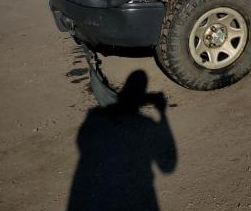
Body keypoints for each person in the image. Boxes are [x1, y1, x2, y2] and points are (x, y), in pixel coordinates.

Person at [67, 70, 177, 211]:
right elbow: (167, 166)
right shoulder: (146, 123)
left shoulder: (94, 118)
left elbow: (82, 141)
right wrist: (162, 114)